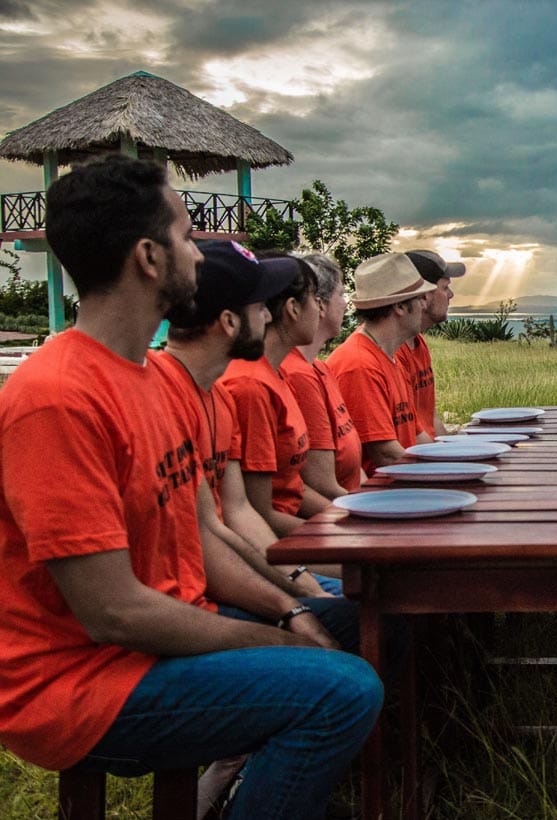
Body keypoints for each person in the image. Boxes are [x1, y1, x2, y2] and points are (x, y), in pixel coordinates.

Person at [0, 155, 381, 820]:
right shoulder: (56, 399)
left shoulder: (154, 379)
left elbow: (202, 537)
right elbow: (111, 612)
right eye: (183, 237)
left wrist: (293, 610)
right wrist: (278, 642)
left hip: (154, 640)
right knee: (341, 690)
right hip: (78, 681)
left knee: (366, 616)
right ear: (149, 258)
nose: (198, 258)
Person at [155, 241, 332, 599]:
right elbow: (237, 518)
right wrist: (294, 600)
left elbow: (235, 512)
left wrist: (301, 588)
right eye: (258, 307)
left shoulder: (218, 395)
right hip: (200, 589)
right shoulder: (233, 386)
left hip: (226, 573)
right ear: (229, 322)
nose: (267, 316)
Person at [219, 253, 327, 537]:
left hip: (291, 528)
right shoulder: (251, 385)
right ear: (292, 308)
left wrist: (345, 520)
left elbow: (293, 488)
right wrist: (341, 538)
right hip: (274, 541)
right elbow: (260, 513)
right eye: (315, 298)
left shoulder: (277, 373)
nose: (321, 309)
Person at [328, 252, 436, 471]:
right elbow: (386, 455)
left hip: (403, 487)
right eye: (419, 299)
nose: (424, 306)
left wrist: (456, 462)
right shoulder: (360, 365)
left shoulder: (390, 355)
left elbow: (417, 434)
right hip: (382, 496)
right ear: (400, 307)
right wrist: (442, 472)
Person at [282, 253, 364, 496]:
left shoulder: (320, 368)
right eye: (340, 294)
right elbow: (322, 484)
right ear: (320, 304)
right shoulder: (298, 374)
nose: (345, 303)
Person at [396, 249, 465, 441]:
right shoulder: (392, 351)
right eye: (444, 288)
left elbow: (431, 418)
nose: (451, 295)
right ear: (424, 296)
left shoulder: (418, 343)